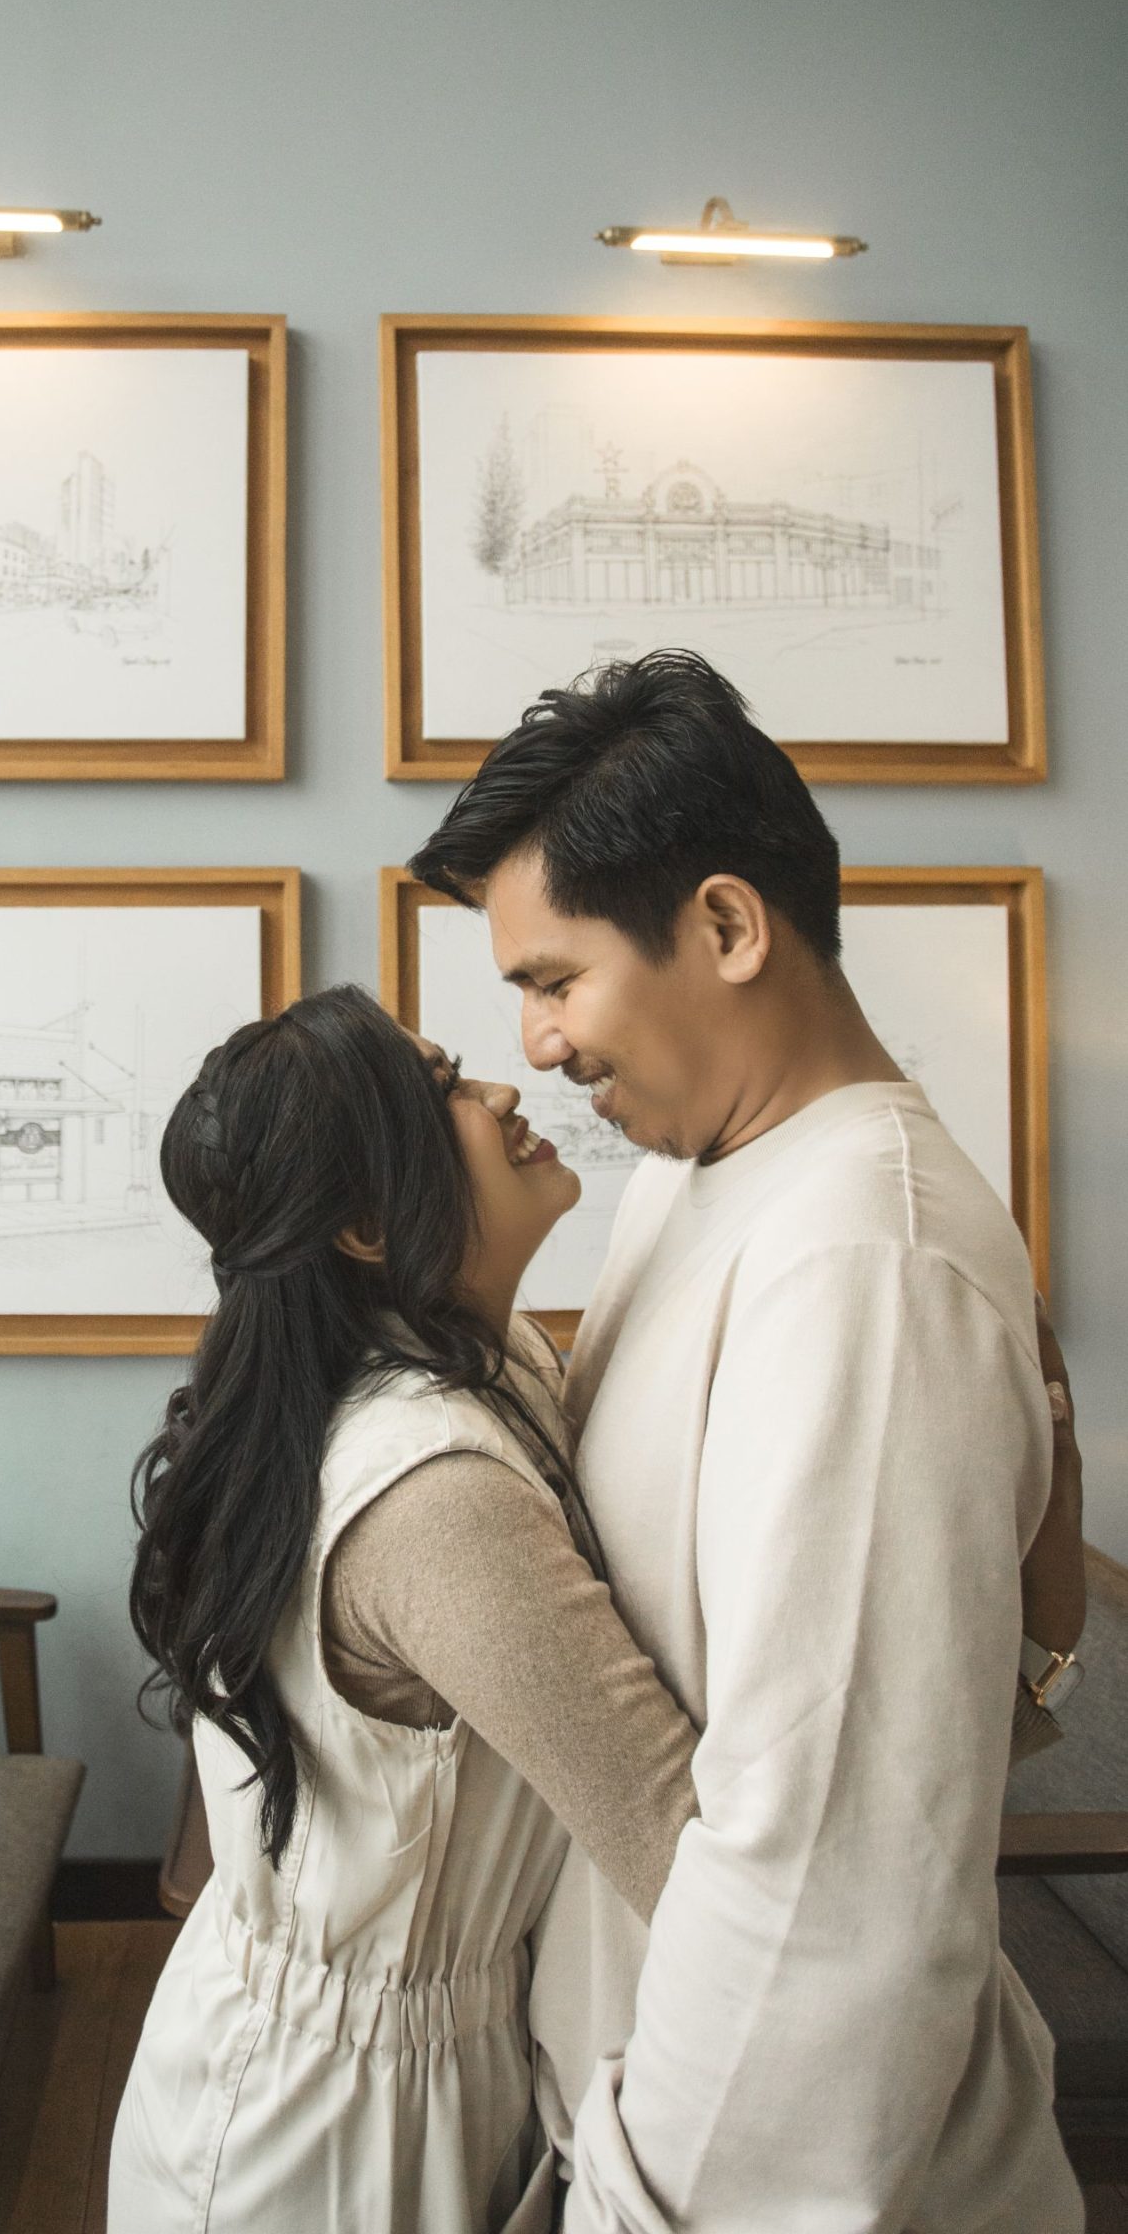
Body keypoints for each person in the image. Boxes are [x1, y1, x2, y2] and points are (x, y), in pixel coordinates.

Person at [106, 977, 1081, 2232]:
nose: (503, 1086)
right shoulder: (432, 1499)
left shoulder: (498, 1360)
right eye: (444, 1091)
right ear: (365, 1225)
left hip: (441, 2055)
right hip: (328, 2134)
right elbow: (683, 1847)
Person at [408, 648, 1085, 2232]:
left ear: (723, 926)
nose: (537, 1044)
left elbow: (831, 1872)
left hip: (740, 2177)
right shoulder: (691, 1180)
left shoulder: (865, 1267)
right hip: (635, 2089)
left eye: (552, 980)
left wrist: (636, 2202)